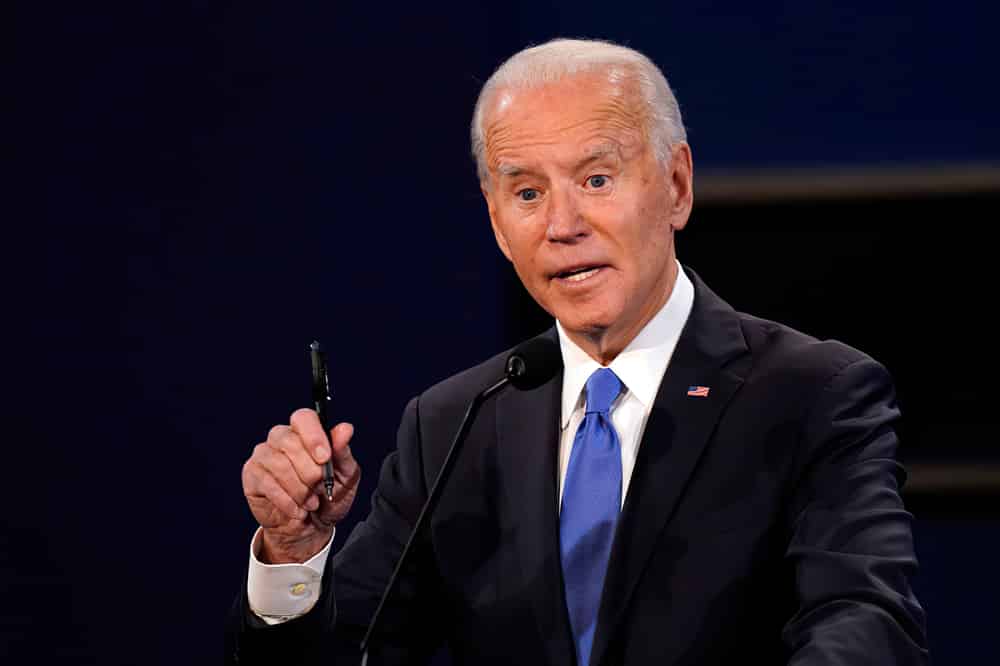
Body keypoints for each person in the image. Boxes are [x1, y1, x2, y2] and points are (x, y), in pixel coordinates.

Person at [226, 39, 928, 665]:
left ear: (677, 186)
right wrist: (293, 554)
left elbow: (866, 623)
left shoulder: (812, 394)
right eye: (528, 193)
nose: (562, 225)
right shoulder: (452, 425)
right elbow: (355, 649)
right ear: (497, 224)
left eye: (596, 180)